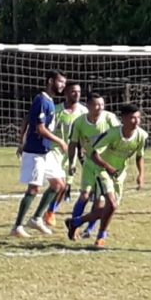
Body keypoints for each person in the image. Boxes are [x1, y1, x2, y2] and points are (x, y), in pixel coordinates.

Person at [65, 103, 147, 248]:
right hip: (102, 170)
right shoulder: (113, 134)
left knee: (111, 208)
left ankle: (76, 222)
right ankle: (101, 237)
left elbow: (140, 156)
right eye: (133, 118)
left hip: (119, 174)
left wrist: (141, 175)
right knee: (111, 204)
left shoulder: (141, 135)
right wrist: (107, 167)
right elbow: (94, 153)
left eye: (138, 118)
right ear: (124, 119)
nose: (136, 121)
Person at [11, 70, 69, 237]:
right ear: (50, 81)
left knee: (59, 184)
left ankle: (36, 218)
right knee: (34, 188)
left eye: (64, 83)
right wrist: (60, 141)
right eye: (60, 82)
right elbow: (39, 128)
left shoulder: (49, 101)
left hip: (45, 151)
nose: (62, 85)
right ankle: (17, 227)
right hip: (35, 152)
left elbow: (27, 118)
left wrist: (20, 139)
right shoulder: (41, 100)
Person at [66, 93, 120, 239]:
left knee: (100, 199)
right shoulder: (79, 122)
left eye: (102, 104)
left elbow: (119, 135)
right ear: (88, 106)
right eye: (96, 105)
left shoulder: (109, 118)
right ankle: (74, 227)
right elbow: (73, 144)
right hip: (90, 163)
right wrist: (71, 163)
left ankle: (89, 230)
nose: (100, 107)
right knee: (84, 195)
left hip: (105, 165)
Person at [42, 82, 88, 227]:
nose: (77, 94)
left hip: (72, 153)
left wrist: (83, 149)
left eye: (79, 91)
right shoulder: (57, 110)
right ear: (66, 93)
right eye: (73, 91)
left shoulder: (84, 112)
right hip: (55, 151)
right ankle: (48, 212)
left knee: (66, 186)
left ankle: (50, 211)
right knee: (59, 184)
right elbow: (45, 128)